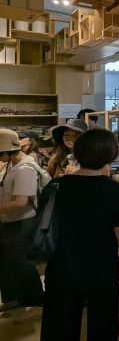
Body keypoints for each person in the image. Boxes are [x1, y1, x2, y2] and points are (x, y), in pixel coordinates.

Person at [40, 128, 119, 341]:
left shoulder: (57, 186)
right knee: (103, 320)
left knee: (59, 322)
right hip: (100, 265)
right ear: (109, 156)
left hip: (62, 262)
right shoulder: (112, 190)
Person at [0, 129, 45, 313]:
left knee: (21, 261)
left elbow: (20, 202)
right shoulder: (12, 164)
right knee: (8, 260)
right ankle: (13, 298)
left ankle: (35, 299)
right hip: (10, 220)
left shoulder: (25, 168)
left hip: (21, 222)